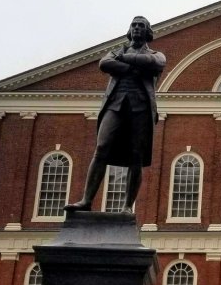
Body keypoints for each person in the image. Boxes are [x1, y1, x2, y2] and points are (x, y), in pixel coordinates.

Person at [65, 15, 167, 213]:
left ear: (147, 32)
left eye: (141, 26)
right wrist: (135, 67)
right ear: (130, 30)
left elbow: (157, 63)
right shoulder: (115, 52)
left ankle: (128, 207)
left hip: (141, 108)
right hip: (115, 104)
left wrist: (125, 60)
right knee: (101, 147)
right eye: (134, 25)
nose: (137, 28)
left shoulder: (155, 54)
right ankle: (86, 201)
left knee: (136, 156)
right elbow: (104, 64)